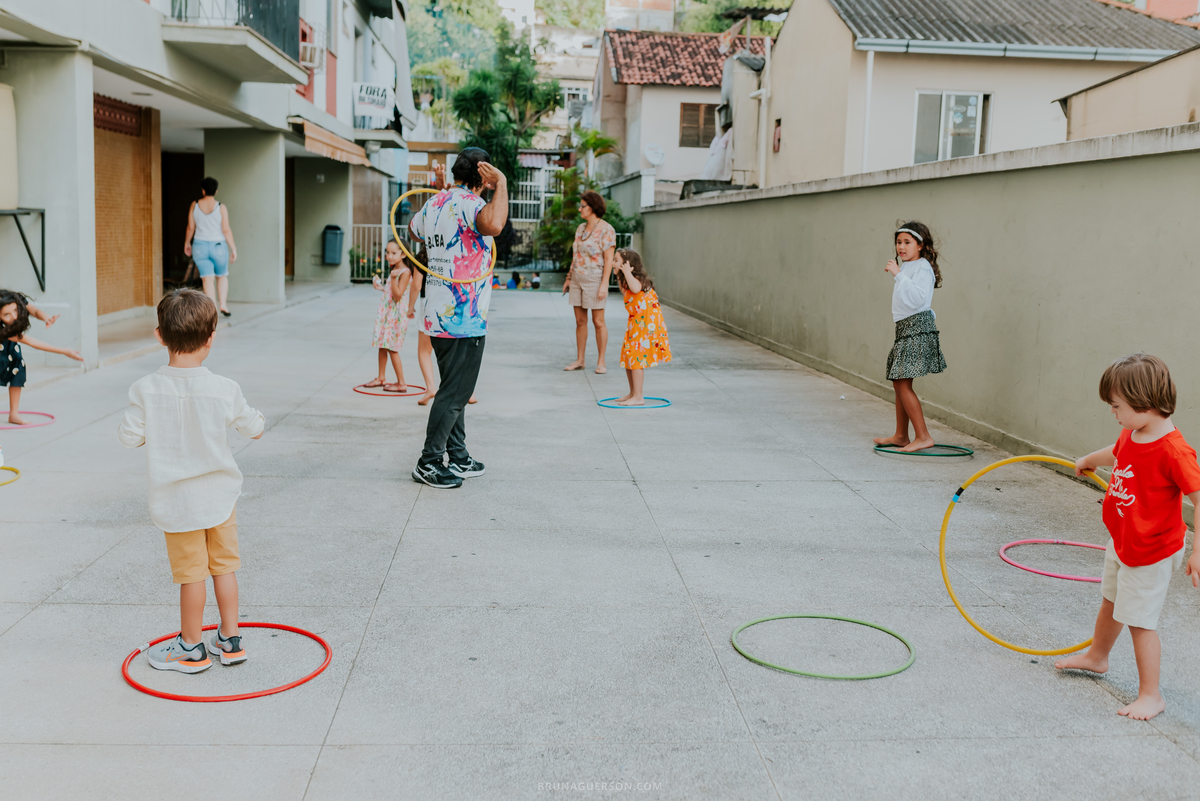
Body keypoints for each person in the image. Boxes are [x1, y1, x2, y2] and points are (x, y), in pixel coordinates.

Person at [118, 289, 265, 673]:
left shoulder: (145, 389)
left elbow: (129, 436)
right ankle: (231, 640)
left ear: (159, 335)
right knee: (224, 567)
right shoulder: (223, 388)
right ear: (211, 337)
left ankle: (191, 647)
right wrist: (255, 418)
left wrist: (156, 429)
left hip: (177, 500)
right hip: (220, 497)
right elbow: (255, 428)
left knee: (191, 575)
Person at [1056, 354, 1200, 721]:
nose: (1113, 412)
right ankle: (1097, 656)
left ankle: (1151, 695)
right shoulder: (1133, 431)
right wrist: (1090, 458)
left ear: (1145, 403)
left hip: (1152, 549)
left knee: (1140, 621)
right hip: (1124, 539)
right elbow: (1118, 451)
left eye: (1116, 406)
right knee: (1111, 600)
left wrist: (1197, 552)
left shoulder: (1174, 450)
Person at [407, 146, 506, 488]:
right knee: (454, 394)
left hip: (436, 312)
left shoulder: (435, 203)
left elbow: (414, 230)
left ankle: (458, 455)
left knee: (454, 389)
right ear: (482, 176)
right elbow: (494, 225)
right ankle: (429, 461)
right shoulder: (470, 204)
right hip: (464, 316)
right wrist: (503, 184)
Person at [872, 222, 946, 452]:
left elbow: (918, 300)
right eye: (898, 242)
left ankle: (923, 436)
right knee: (899, 382)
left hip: (916, 328)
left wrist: (898, 275)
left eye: (907, 242)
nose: (901, 247)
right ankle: (901, 435)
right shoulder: (909, 266)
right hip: (905, 329)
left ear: (921, 245)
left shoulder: (922, 267)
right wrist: (900, 273)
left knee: (902, 383)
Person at [0, 290, 83, 425]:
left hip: (9, 346)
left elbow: (34, 311)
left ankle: (14, 414)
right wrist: (63, 351)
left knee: (17, 368)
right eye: (6, 315)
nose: (14, 317)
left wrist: (46, 318)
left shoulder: (14, 299)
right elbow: (32, 342)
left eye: (15, 310)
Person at [561, 190, 616, 374]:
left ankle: (601, 362)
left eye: (582, 206)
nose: (579, 209)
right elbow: (575, 256)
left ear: (592, 207)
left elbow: (609, 259)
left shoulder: (606, 229)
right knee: (579, 321)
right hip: (577, 278)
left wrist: (604, 284)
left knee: (598, 321)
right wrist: (569, 278)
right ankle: (580, 360)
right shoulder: (580, 229)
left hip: (595, 279)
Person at [613, 249, 671, 406]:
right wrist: (622, 273)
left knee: (636, 357)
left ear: (627, 264)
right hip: (636, 322)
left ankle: (638, 396)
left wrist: (626, 272)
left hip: (646, 324)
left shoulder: (635, 280)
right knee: (628, 356)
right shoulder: (624, 281)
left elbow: (636, 289)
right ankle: (632, 393)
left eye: (616, 260)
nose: (613, 263)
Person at [184, 177, 238, 318]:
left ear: (203, 191)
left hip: (200, 246)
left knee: (207, 279)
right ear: (216, 191)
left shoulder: (194, 205)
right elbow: (226, 229)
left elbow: (190, 227)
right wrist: (233, 248)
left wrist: (187, 243)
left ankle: (212, 308)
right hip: (218, 247)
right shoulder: (221, 207)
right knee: (221, 276)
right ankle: (223, 305)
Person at [363, 240, 413, 392]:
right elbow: (391, 292)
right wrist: (381, 287)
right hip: (387, 313)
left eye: (393, 253)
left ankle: (401, 382)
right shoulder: (396, 269)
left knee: (392, 347)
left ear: (403, 254)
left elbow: (398, 296)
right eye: (387, 252)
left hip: (396, 315)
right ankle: (381, 377)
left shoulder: (405, 272)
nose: (389, 256)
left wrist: (392, 279)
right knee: (382, 345)